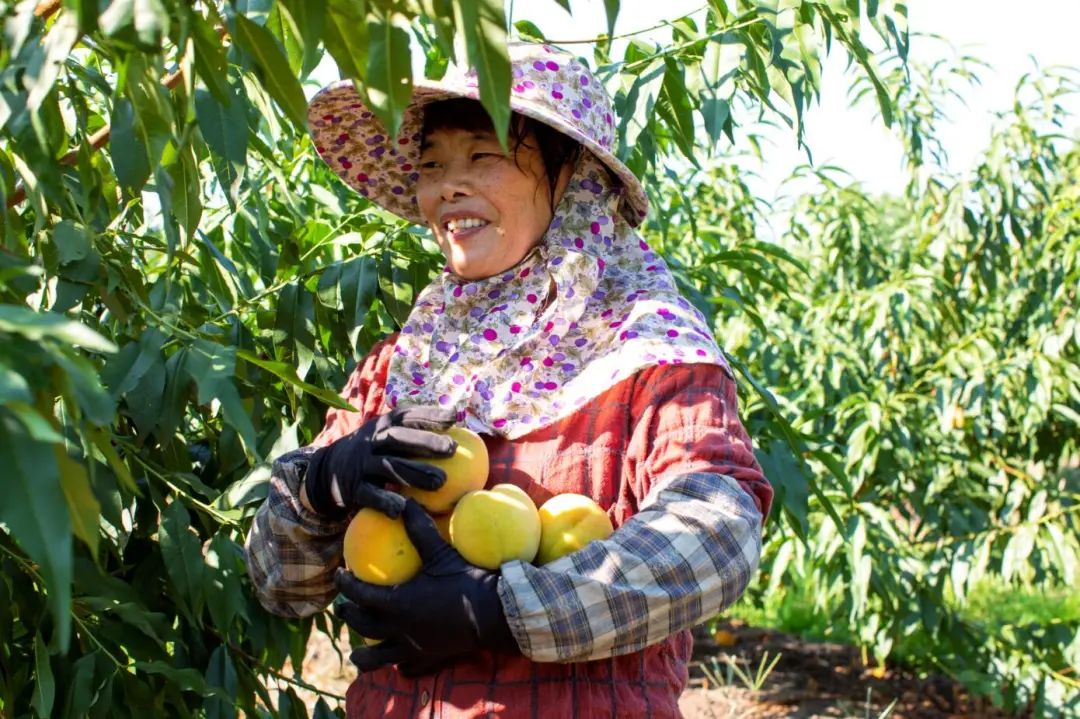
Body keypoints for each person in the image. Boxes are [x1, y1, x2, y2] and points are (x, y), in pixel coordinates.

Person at [245, 42, 773, 718]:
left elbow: (716, 538)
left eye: (482, 156)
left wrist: (500, 610)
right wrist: (318, 484)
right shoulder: (403, 364)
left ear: (567, 177)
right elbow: (277, 583)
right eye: (432, 166)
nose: (447, 187)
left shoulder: (645, 351)